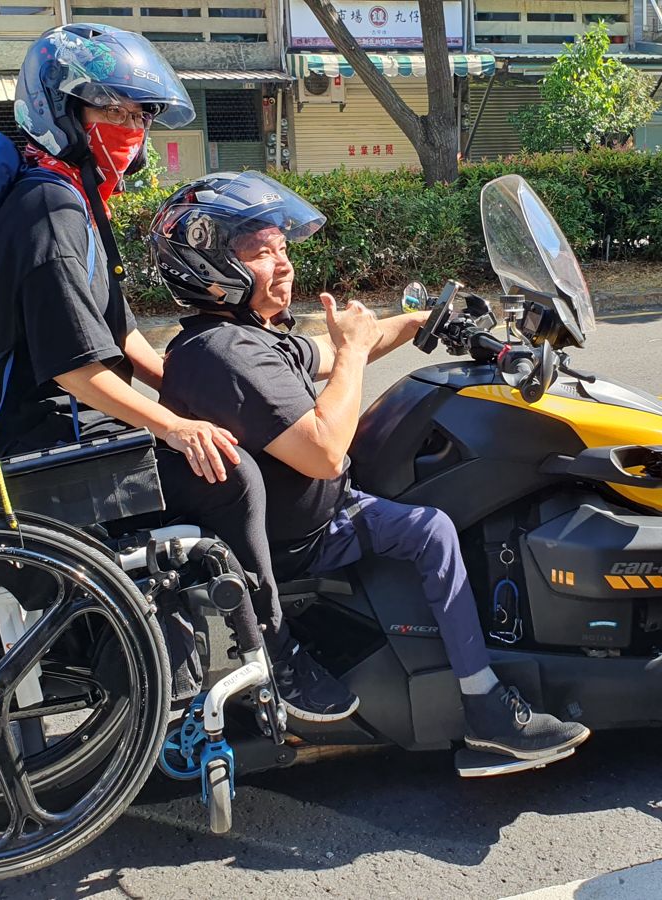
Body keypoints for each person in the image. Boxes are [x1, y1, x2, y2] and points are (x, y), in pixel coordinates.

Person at [0, 23, 357, 723]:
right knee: (229, 474)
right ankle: (271, 651)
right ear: (63, 112)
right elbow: (79, 370)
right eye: (114, 112)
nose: (132, 129)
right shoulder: (49, 209)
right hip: (34, 439)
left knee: (208, 442)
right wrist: (176, 425)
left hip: (62, 419)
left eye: (139, 115)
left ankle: (187, 644)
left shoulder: (75, 197)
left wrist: (187, 380)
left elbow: (116, 334)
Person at [149, 172, 591, 761]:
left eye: (284, 249)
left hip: (325, 508)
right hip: (299, 540)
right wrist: (355, 351)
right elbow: (325, 449)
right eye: (261, 253)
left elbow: (330, 353)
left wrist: (420, 325)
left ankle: (476, 689)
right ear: (208, 266)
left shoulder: (247, 335)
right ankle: (480, 699)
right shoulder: (223, 354)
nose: (283, 265)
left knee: (432, 523)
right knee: (433, 511)